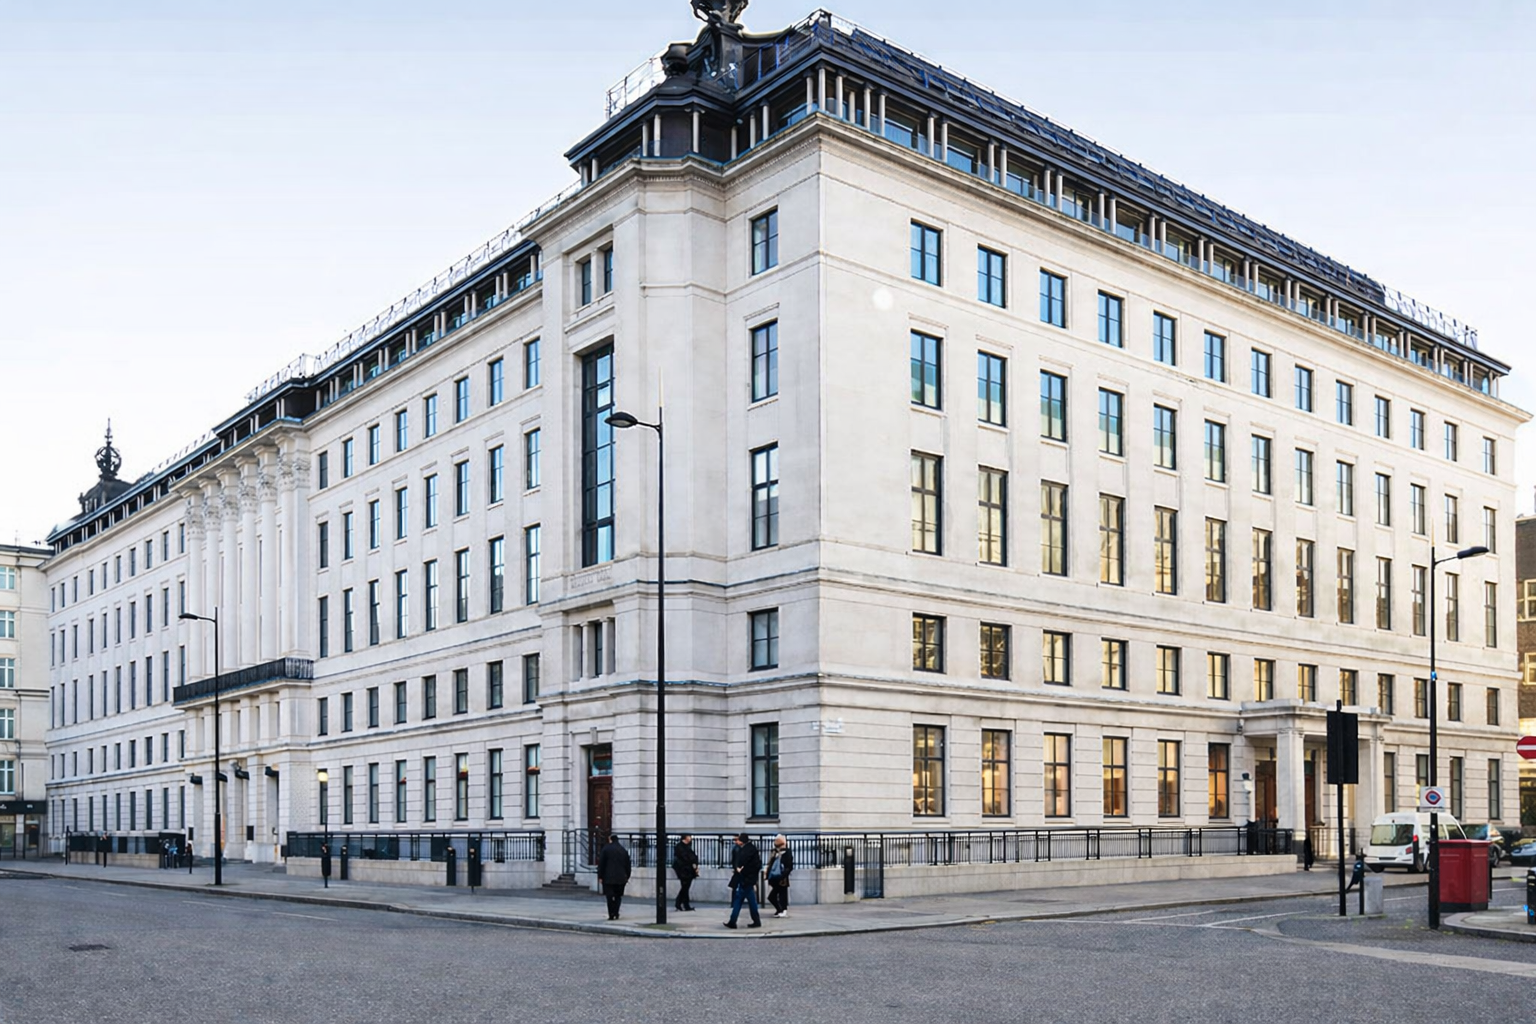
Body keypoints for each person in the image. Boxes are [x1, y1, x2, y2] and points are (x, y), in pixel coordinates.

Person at [724, 832, 762, 929]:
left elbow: (746, 864)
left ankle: (733, 921)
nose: (737, 841)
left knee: (739, 900)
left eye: (738, 840)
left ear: (742, 841)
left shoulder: (745, 850)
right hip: (749, 878)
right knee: (751, 900)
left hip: (744, 878)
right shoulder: (752, 849)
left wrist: (740, 870)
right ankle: (756, 920)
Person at [597, 833, 632, 920]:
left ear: (610, 839)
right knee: (618, 896)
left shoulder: (606, 849)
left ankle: (611, 914)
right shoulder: (623, 850)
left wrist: (600, 876)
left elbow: (601, 864)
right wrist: (627, 876)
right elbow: (628, 865)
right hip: (621, 877)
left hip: (608, 877)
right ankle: (616, 912)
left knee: (609, 897)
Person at [764, 834, 794, 918]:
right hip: (775, 877)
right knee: (775, 895)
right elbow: (770, 863)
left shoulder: (786, 852)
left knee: (780, 895)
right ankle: (780, 909)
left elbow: (789, 866)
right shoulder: (775, 852)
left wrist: (783, 875)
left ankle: (783, 910)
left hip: (782, 877)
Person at [672, 833, 699, 912]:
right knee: (685, 887)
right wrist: (693, 863)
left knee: (686, 887)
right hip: (683, 869)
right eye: (689, 836)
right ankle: (681, 903)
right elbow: (686, 857)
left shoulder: (687, 846)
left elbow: (693, 857)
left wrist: (695, 865)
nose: (690, 838)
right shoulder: (679, 847)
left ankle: (683, 904)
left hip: (688, 869)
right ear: (686, 837)